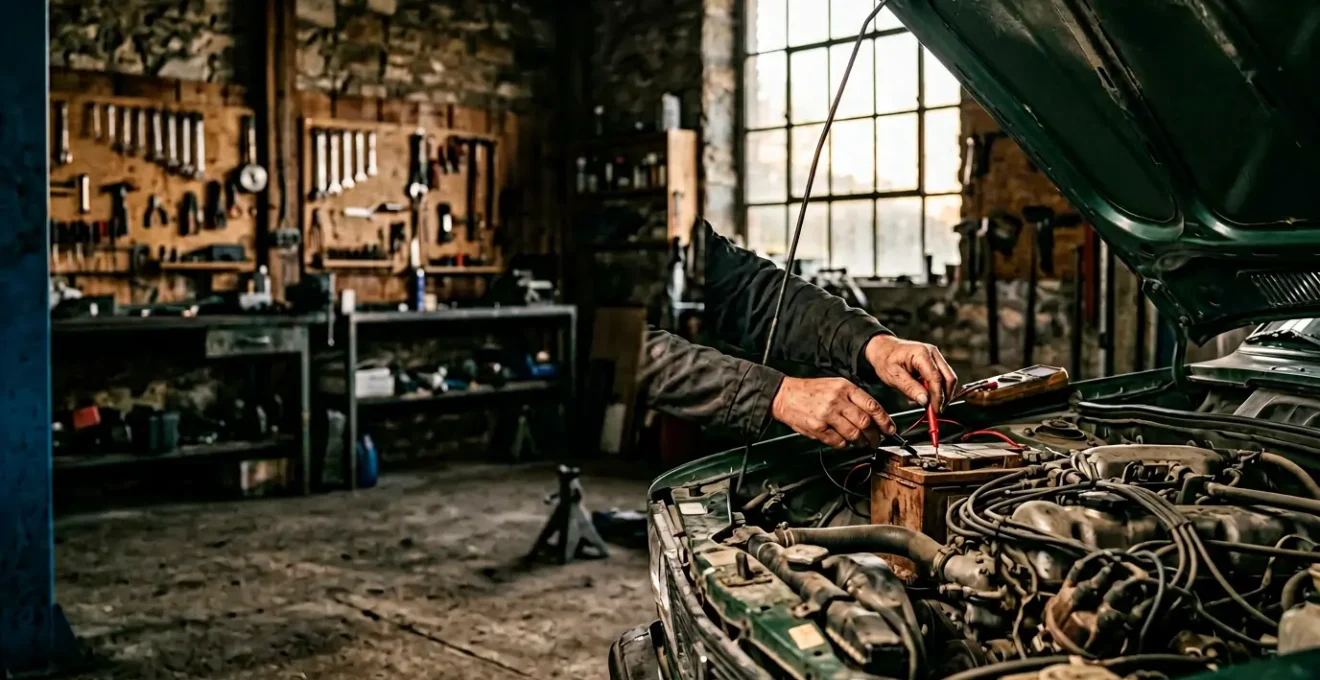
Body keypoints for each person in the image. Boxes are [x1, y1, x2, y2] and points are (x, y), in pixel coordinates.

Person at [639, 222, 958, 449]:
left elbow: (750, 291)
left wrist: (873, 343)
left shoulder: (675, 218)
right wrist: (777, 394)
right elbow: (625, 350)